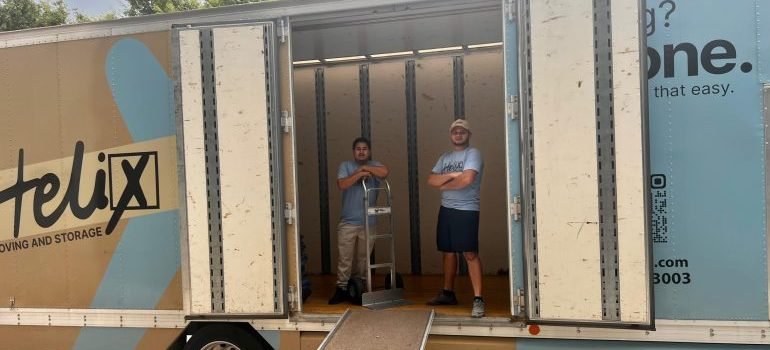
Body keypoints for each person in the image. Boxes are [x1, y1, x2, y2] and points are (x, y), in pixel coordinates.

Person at [426, 119, 485, 318]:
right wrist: (453, 174)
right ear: (451, 134)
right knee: (448, 252)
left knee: (469, 253)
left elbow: (467, 179)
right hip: (447, 209)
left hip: (466, 210)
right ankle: (448, 293)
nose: (458, 135)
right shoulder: (445, 157)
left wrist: (445, 184)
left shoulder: (473, 153)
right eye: (455, 132)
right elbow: (431, 179)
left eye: (462, 132)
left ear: (469, 134)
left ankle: (478, 299)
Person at [328, 137, 390, 304]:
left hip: (369, 222)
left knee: (364, 258)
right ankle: (341, 288)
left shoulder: (374, 165)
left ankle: (358, 287)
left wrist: (365, 167)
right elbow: (342, 184)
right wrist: (359, 174)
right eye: (358, 149)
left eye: (364, 148)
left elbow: (385, 172)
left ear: (369, 151)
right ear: (353, 151)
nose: (361, 151)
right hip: (348, 221)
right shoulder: (346, 166)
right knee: (345, 257)